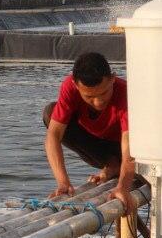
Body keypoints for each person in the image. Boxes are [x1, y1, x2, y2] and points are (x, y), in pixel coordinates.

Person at [42, 51, 136, 213]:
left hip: (124, 147)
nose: (98, 101)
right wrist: (63, 183)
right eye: (89, 97)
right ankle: (111, 164)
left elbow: (130, 147)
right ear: (76, 85)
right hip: (97, 147)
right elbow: (54, 135)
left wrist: (123, 187)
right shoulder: (68, 87)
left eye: (104, 93)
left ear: (113, 78)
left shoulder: (125, 93)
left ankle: (116, 164)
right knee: (50, 113)